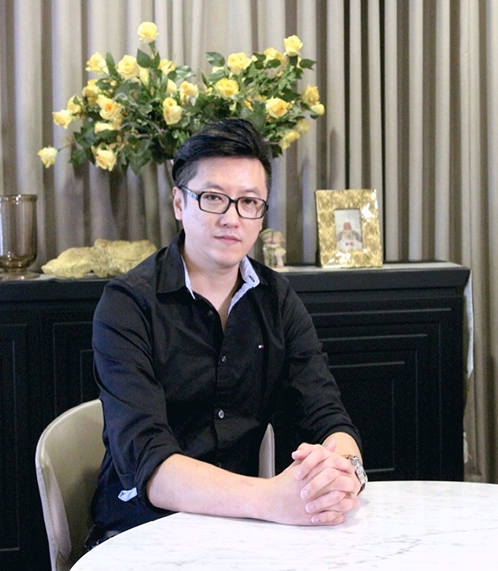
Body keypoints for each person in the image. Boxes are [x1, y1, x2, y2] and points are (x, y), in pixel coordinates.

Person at [88, 118, 366, 546]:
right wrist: (272, 498)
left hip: (239, 528)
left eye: (249, 202)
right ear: (179, 203)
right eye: (213, 198)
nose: (232, 218)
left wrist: (344, 473)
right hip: (139, 531)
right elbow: (148, 463)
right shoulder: (128, 305)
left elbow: (326, 415)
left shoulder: (277, 299)